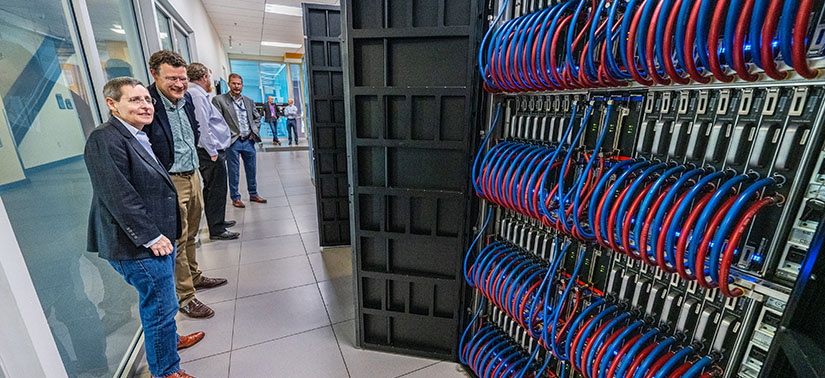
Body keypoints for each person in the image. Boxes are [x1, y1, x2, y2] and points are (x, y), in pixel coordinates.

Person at [85, 77, 204, 378]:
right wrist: (151, 237)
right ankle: (165, 371)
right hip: (137, 244)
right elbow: (118, 195)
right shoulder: (105, 139)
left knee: (165, 302)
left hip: (157, 235)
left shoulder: (136, 134)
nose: (145, 106)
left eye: (147, 100)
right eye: (135, 100)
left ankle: (169, 342)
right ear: (112, 104)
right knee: (160, 307)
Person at [143, 50, 227, 319]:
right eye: (172, 79)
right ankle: (185, 296)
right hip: (170, 180)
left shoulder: (187, 100)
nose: (179, 84)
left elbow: (195, 130)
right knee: (177, 239)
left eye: (182, 79)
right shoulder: (147, 104)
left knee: (191, 233)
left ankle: (194, 276)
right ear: (154, 74)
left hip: (192, 174)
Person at [186, 63, 239, 241]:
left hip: (211, 150)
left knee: (216, 188)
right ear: (204, 77)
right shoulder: (197, 95)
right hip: (209, 152)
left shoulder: (198, 94)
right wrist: (212, 151)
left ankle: (218, 221)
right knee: (216, 189)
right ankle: (217, 229)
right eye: (208, 77)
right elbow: (202, 126)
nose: (209, 80)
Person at [212, 73, 268, 208]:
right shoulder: (219, 100)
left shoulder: (248, 101)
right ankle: (235, 197)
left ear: (242, 85)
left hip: (248, 140)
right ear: (229, 84)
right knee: (234, 170)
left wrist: (254, 131)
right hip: (233, 141)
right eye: (234, 83)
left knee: (251, 169)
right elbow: (216, 121)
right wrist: (226, 136)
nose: (236, 86)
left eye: (239, 84)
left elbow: (257, 117)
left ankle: (253, 194)